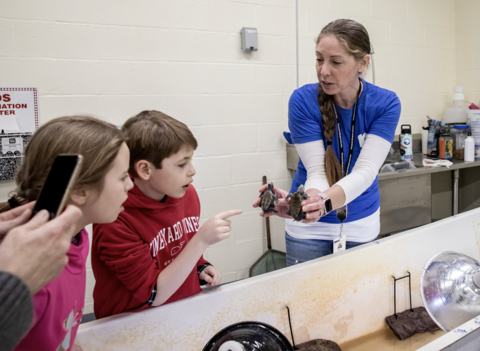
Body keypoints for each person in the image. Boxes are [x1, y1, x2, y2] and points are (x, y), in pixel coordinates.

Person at [254, 19, 401, 266]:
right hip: (309, 229)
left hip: (360, 222)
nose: (323, 71)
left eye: (336, 62)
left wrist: (324, 203)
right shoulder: (302, 100)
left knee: (359, 301)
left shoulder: (385, 103)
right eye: (319, 59)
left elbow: (366, 171)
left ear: (363, 63)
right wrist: (309, 204)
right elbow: (317, 171)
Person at [92, 110, 241, 318]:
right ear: (145, 170)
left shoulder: (186, 193)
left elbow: (179, 246)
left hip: (180, 309)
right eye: (182, 164)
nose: (192, 170)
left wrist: (199, 266)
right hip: (130, 323)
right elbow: (154, 294)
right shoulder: (114, 218)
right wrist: (202, 239)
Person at [1, 116, 133, 351]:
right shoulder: (32, 276)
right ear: (80, 191)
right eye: (123, 176)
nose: (130, 185)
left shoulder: (76, 236)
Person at [0, 203, 82, 351]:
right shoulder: (39, 280)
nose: (128, 184)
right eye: (122, 178)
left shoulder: (80, 239)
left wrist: (65, 343)